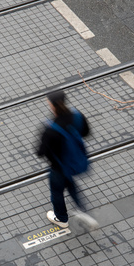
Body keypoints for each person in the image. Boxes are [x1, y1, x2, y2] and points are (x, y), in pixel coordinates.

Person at [37, 90, 91, 228]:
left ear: (52, 105)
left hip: (59, 166)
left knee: (56, 190)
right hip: (75, 161)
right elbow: (86, 132)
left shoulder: (50, 128)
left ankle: (61, 218)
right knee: (69, 182)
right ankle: (82, 209)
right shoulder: (77, 116)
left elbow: (40, 152)